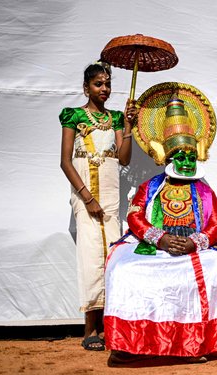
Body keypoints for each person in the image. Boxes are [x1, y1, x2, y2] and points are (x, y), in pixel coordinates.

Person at [104, 95, 217, 365]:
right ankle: (127, 346)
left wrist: (195, 243)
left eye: (191, 156)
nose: (187, 162)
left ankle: (196, 344)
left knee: (215, 267)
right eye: (181, 156)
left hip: (192, 249)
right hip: (155, 247)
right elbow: (135, 217)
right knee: (121, 268)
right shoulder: (150, 187)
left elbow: (216, 224)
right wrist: (162, 239)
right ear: (167, 157)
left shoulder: (204, 190)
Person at [59, 61, 136, 351]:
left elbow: (125, 159)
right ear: (86, 87)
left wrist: (128, 128)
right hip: (85, 198)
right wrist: (87, 198)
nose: (104, 89)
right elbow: (66, 162)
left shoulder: (116, 118)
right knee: (91, 259)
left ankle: (110, 327)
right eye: (98, 84)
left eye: (107, 84)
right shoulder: (73, 117)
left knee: (111, 259)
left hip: (111, 200)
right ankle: (90, 330)